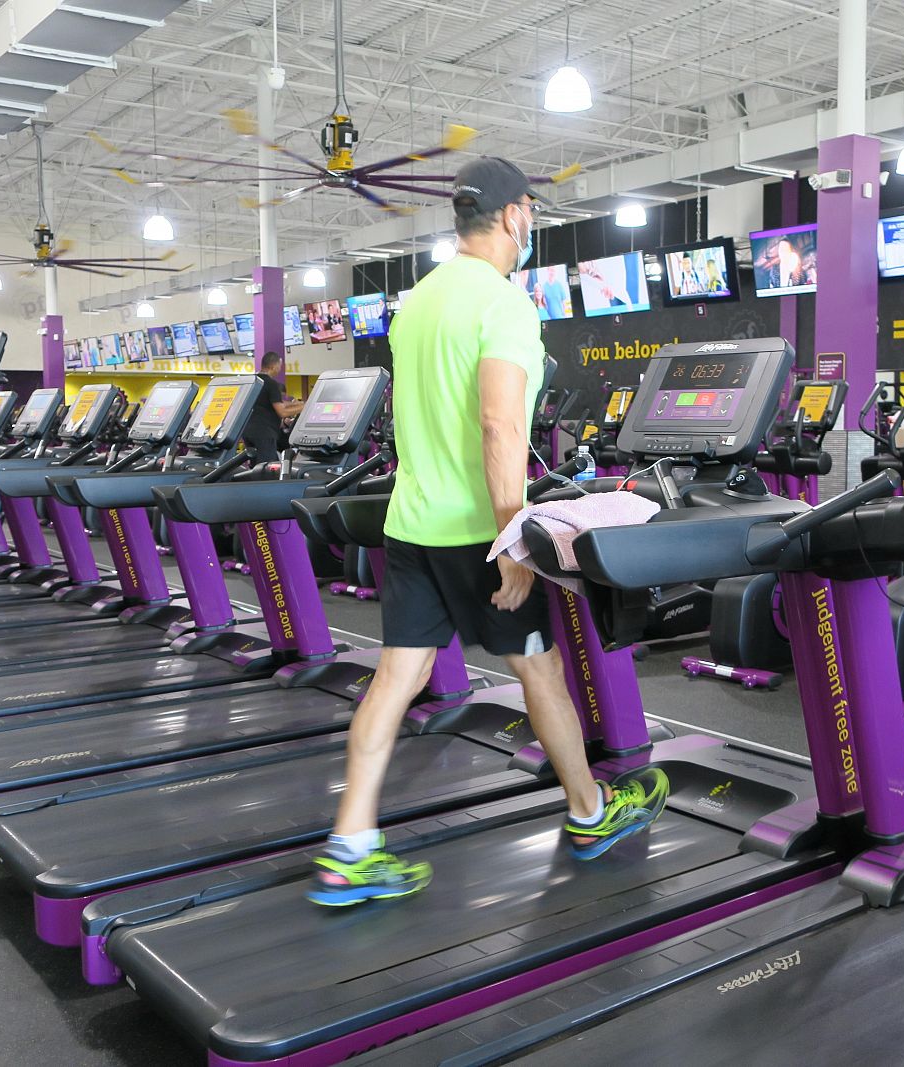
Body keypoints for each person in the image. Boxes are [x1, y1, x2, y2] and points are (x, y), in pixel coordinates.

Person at [309, 156, 670, 906]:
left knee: (394, 680)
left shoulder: (418, 302)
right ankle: (589, 814)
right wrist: (514, 542)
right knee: (539, 672)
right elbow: (501, 426)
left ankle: (350, 847)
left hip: (411, 528)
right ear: (514, 215)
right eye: (531, 212)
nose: (531, 224)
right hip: (478, 533)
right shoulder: (503, 303)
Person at [245, 352, 304, 462]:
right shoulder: (271, 384)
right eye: (279, 366)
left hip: (248, 431)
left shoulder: (253, 381)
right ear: (273, 366)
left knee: (254, 467)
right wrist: (305, 407)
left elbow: (276, 402)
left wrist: (297, 404)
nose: (280, 369)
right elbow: (282, 412)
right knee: (266, 468)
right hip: (264, 433)